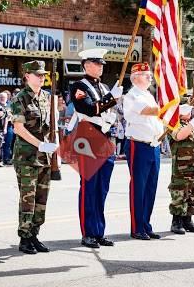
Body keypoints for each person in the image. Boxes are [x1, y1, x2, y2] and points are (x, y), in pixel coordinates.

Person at [69, 48, 123, 249]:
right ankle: (88, 233)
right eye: (97, 63)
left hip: (105, 139)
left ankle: (99, 231)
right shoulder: (78, 86)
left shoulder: (104, 86)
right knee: (89, 187)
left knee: (102, 188)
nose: (101, 67)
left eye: (101, 64)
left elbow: (108, 112)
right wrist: (111, 98)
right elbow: (88, 108)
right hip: (88, 138)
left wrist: (112, 98)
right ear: (86, 65)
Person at [10, 60, 59, 255]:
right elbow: (18, 128)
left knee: (41, 198)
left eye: (43, 74)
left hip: (45, 156)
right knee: (27, 199)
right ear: (27, 76)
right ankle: (24, 237)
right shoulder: (19, 99)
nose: (41, 77)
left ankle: (35, 235)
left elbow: (53, 127)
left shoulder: (47, 97)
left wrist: (55, 148)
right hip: (26, 156)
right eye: (37, 74)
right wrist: (39, 144)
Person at [123, 62, 164, 240]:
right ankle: (137, 227)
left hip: (153, 145)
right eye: (146, 74)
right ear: (135, 77)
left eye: (149, 74)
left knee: (150, 187)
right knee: (138, 188)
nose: (150, 76)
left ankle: (146, 224)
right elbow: (148, 111)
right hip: (138, 145)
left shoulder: (148, 94)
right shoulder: (132, 95)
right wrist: (170, 108)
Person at [169, 101, 194, 235]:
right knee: (180, 194)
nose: (190, 112)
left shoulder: (192, 126)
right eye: (187, 110)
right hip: (182, 169)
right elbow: (179, 136)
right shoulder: (174, 123)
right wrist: (192, 124)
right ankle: (176, 222)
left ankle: (187, 220)